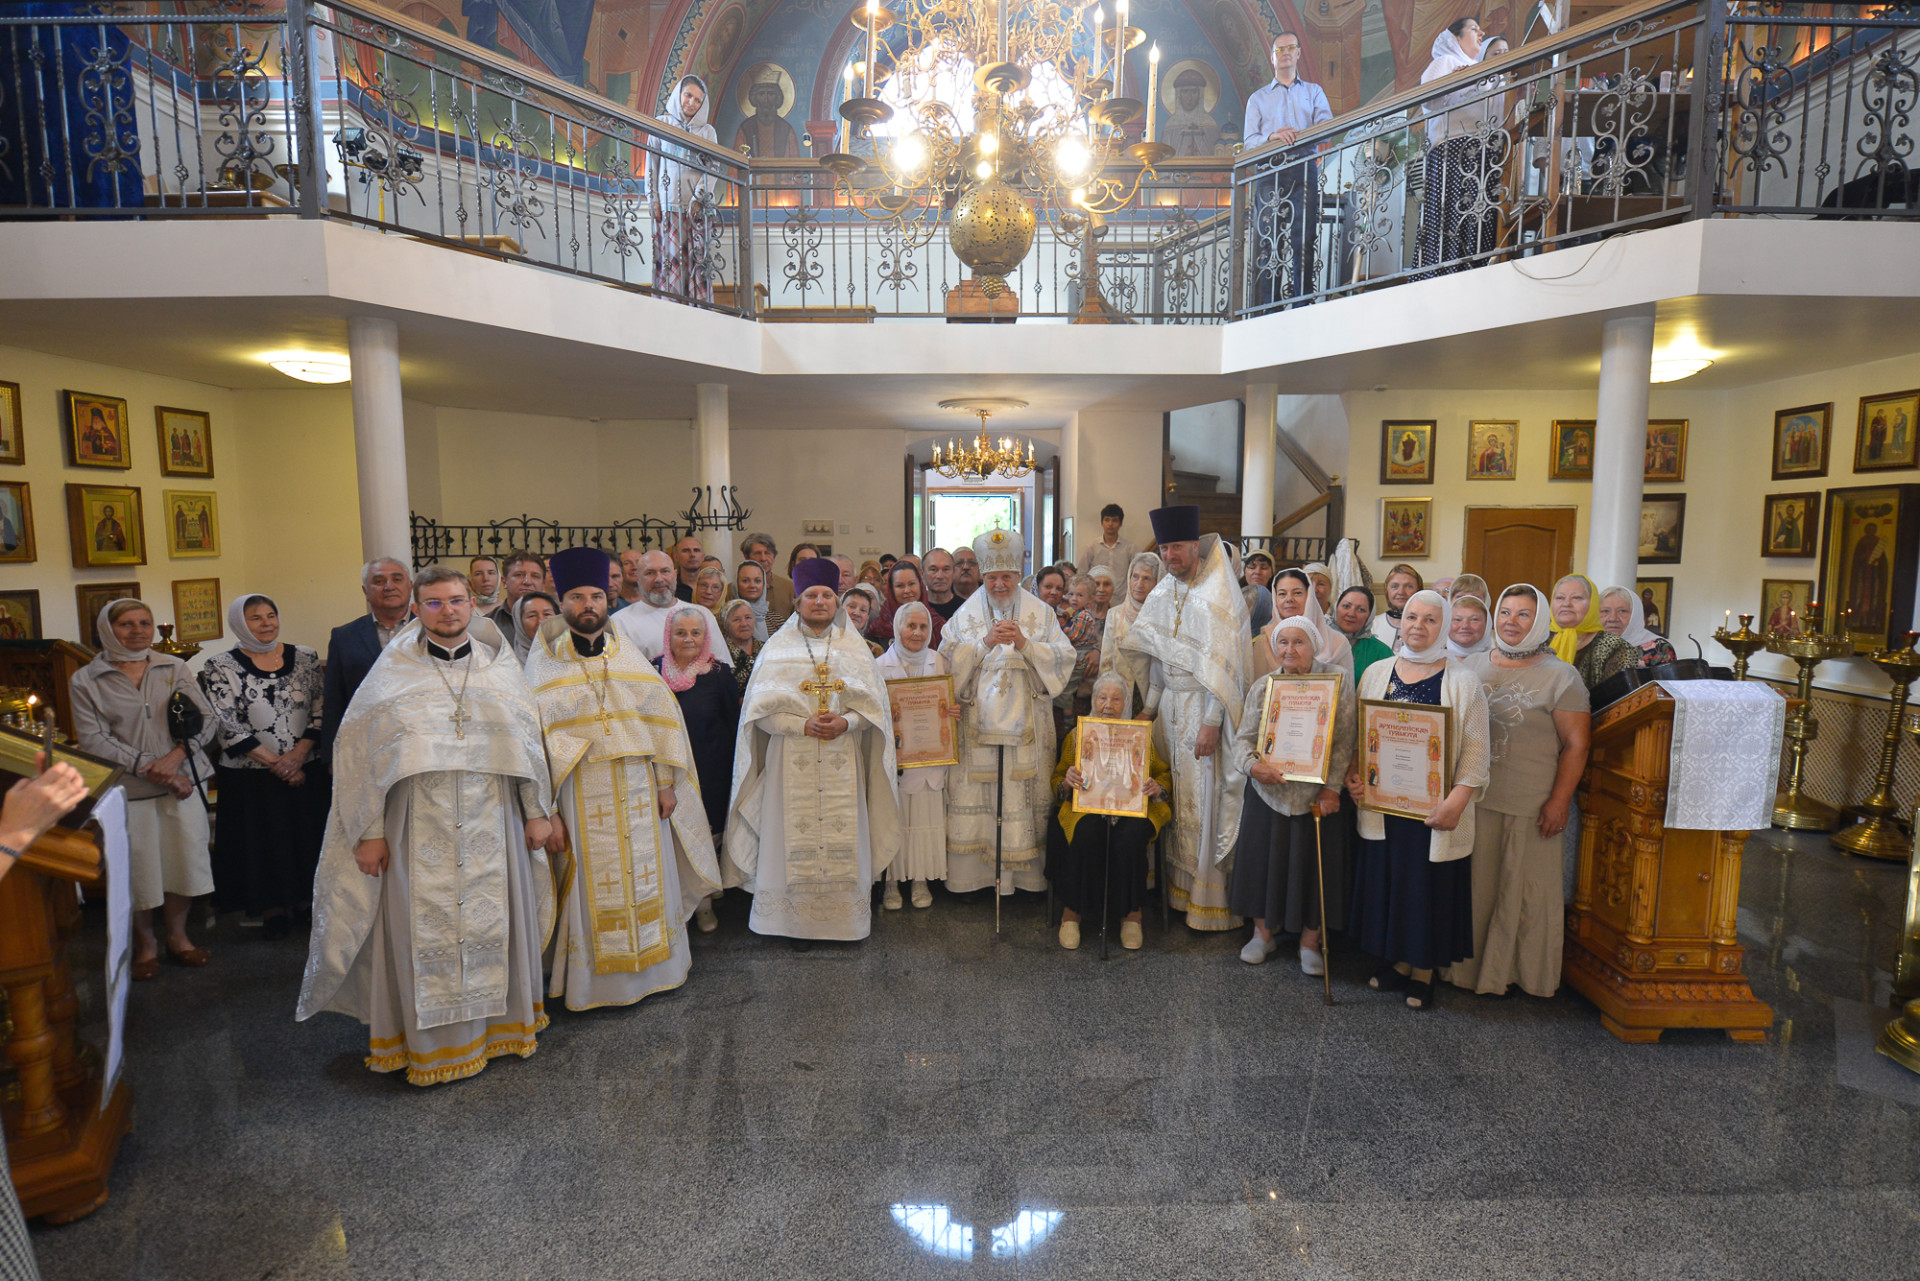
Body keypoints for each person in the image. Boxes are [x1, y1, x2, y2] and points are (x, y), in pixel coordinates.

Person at [298, 567, 557, 1086]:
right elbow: (359, 761)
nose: (447, 611)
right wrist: (368, 832)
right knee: (420, 932)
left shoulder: (498, 670)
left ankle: (501, 1031)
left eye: (456, 601)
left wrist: (536, 813)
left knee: (496, 921)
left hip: (493, 820)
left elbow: (528, 748)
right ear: (416, 609)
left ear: (473, 605)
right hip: (416, 825)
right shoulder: (390, 677)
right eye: (434, 603)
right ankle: (428, 1046)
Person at [524, 548, 722, 1009]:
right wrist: (547, 811)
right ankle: (595, 987)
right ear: (561, 600)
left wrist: (666, 781)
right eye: (577, 597)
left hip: (638, 788)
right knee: (592, 884)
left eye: (596, 595)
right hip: (577, 793)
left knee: (646, 878)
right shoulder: (541, 665)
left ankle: (658, 969)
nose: (588, 605)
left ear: (606, 598)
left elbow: (661, 720)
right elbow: (531, 745)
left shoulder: (627, 654)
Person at [724, 557, 901, 943]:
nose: (819, 602)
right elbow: (758, 716)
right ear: (798, 602)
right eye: (810, 596)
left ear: (836, 601)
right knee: (788, 833)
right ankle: (791, 924)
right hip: (790, 758)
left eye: (825, 595)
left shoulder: (855, 651)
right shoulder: (776, 650)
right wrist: (799, 724)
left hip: (843, 757)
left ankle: (844, 924)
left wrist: (847, 722)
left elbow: (874, 710)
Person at [1347, 590, 1490, 1011]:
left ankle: (1424, 971)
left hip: (1434, 811)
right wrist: (1354, 777)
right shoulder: (1376, 672)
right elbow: (1359, 732)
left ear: (1442, 626)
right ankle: (1399, 963)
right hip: (1385, 807)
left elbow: (1477, 751)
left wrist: (1457, 801)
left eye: (1430, 619)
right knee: (1392, 883)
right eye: (1412, 617)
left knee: (1426, 889)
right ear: (1400, 620)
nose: (1418, 626)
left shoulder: (1462, 680)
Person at [1116, 505, 1249, 932]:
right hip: (1168, 712)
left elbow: (1226, 671)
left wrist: (1212, 722)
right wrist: (1149, 708)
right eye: (1165, 547)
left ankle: (1206, 902)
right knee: (1169, 793)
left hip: (1204, 713)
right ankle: (1174, 892)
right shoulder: (1161, 591)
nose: (1170, 555)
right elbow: (1157, 660)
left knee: (1203, 799)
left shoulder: (1218, 594)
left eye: (1177, 547)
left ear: (1196, 546)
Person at [1452, 585, 1589, 998]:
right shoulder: (1472, 665)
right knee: (1476, 892)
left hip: (1530, 803)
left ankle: (1519, 974)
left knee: (1523, 892)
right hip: (1475, 799)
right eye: (1505, 612)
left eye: (1523, 614)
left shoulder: (1561, 675)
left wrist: (1559, 801)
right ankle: (1464, 972)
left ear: (1540, 620)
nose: (1511, 622)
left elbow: (1577, 745)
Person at [72, 598, 219, 979]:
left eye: (144, 622)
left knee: (182, 862)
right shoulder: (86, 679)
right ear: (107, 629)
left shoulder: (173, 666)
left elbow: (206, 719)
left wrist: (175, 760)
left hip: (183, 781)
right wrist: (150, 767)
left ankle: (178, 937)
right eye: (126, 624)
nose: (137, 631)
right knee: (140, 871)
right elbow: (93, 738)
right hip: (129, 790)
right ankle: (146, 946)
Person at [939, 527, 1077, 897]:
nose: (999, 584)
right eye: (992, 577)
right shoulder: (963, 616)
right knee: (982, 800)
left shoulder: (1041, 613)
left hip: (1028, 726)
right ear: (982, 577)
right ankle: (976, 878)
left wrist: (1025, 644)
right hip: (976, 726)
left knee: (1020, 795)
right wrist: (984, 643)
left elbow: (1065, 659)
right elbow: (946, 664)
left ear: (1019, 576)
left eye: (1006, 576)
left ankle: (1024, 879)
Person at [1227, 613, 1357, 973]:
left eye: (1298, 642)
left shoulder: (1338, 682)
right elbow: (1243, 741)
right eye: (1282, 642)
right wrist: (1253, 767)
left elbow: (1346, 739)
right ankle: (1262, 935)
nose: (1289, 649)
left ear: (1314, 645)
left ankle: (1309, 943)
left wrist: (1332, 789)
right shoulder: (1263, 686)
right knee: (1263, 863)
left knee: (1316, 868)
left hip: (1317, 796)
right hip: (1269, 792)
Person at [199, 593, 326, 940]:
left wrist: (298, 756)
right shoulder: (219, 665)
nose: (267, 623)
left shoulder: (306, 657)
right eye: (256, 618)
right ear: (240, 623)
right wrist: (280, 765)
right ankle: (271, 909)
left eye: (272, 615)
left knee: (305, 837)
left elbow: (320, 709)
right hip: (251, 775)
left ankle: (306, 903)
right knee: (263, 842)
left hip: (306, 766)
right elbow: (227, 723)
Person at [1047, 671, 1172, 951]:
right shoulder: (1079, 735)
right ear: (1093, 700)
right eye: (1102, 697)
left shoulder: (1139, 737)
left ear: (1125, 704)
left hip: (1130, 810)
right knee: (1086, 833)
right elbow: (1057, 778)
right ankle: (1073, 912)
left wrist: (1156, 787)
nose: (1108, 705)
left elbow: (1163, 774)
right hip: (1088, 808)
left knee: (1130, 837)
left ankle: (1132, 915)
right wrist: (1066, 781)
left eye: (1116, 699)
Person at [646, 601, 739, 935]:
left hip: (710, 772)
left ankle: (704, 904)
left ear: (706, 637)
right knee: (673, 841)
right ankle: (678, 905)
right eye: (680, 632)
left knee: (706, 838)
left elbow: (733, 726)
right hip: (667, 774)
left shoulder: (719, 675)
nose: (688, 639)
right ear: (668, 636)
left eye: (696, 633)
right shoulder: (651, 672)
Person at [875, 601, 955, 911]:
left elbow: (947, 702)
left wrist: (951, 711)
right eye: (911, 626)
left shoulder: (939, 661)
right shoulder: (881, 665)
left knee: (923, 815)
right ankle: (892, 883)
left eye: (923, 627)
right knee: (897, 818)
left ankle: (920, 879)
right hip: (896, 757)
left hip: (930, 755)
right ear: (897, 628)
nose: (917, 633)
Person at [1243, 31, 1332, 306]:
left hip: (1304, 167)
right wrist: (1272, 137)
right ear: (1272, 58)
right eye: (1279, 49)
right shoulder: (1257, 98)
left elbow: (1327, 130)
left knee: (1303, 238)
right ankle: (1267, 308)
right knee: (1268, 241)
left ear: (1298, 53)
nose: (1284, 53)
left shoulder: (1313, 91)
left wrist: (1298, 136)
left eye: (1290, 47)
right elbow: (1248, 143)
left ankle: (1301, 304)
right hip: (1270, 172)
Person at [1413, 17, 1502, 278]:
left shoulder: (1480, 69)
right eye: (1474, 29)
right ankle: (1446, 271)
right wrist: (1454, 79)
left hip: (1484, 152)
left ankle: (1472, 270)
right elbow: (1427, 96)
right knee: (1451, 214)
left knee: (1475, 216)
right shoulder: (1447, 61)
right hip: (1454, 150)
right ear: (1456, 38)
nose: (1481, 32)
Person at [321, 557, 412, 762]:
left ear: (410, 586)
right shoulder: (344, 636)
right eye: (379, 581)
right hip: (365, 747)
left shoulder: (430, 630)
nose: (389, 587)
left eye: (397, 579)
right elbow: (335, 700)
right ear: (365, 591)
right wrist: (331, 756)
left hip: (419, 743)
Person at [654, 74, 719, 304]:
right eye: (688, 95)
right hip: (668, 206)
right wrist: (653, 199)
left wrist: (698, 199)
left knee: (697, 261)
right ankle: (670, 307)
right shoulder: (661, 123)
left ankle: (697, 308)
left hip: (695, 211)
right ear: (679, 94)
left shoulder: (707, 132)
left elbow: (712, 168)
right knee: (670, 259)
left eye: (698, 100)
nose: (691, 102)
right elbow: (652, 164)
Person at [612, 549, 731, 665]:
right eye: (650, 573)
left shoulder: (702, 614)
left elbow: (722, 667)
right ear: (638, 578)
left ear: (675, 574)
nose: (659, 579)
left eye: (665, 571)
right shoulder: (620, 622)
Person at [1254, 567, 1352, 683]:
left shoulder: (1338, 642)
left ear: (1309, 596)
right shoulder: (1264, 642)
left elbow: (1345, 696)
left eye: (1297, 593)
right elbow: (1259, 693)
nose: (1289, 599)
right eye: (1282, 594)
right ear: (1275, 599)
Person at [1549, 573, 1637, 690]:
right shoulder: (1539, 641)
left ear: (1593, 604)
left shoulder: (1615, 646)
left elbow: (1622, 700)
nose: (1566, 604)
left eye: (1576, 598)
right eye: (1560, 598)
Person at [1099, 551, 1163, 699]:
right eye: (1135, 577)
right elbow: (1106, 663)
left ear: (1157, 581)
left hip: (1152, 697)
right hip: (1119, 694)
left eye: (1147, 579)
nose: (1139, 584)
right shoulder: (1114, 614)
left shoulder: (1163, 617)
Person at [871, 558, 945, 650]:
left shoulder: (937, 625)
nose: (907, 590)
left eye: (912, 584)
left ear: (920, 585)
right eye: (900, 586)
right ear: (892, 589)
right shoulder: (879, 627)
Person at [1599, 585, 1678, 666]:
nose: (1612, 618)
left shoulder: (1659, 648)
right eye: (1605, 611)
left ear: (1635, 615)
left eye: (1622, 611)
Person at [1333, 585, 1395, 680]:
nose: (1351, 614)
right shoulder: (1318, 642)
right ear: (1336, 608)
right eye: (1346, 606)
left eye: (1361, 609)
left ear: (1369, 616)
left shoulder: (1381, 652)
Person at [742, 533, 796, 633]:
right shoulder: (732, 590)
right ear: (746, 557)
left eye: (768, 553)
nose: (763, 558)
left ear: (774, 557)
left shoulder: (789, 588)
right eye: (757, 553)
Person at [1368, 563, 1424, 648]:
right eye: (1394, 586)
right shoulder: (1372, 624)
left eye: (1409, 586)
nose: (1401, 592)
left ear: (1418, 590)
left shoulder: (1426, 625)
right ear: (1387, 591)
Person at [1084, 503, 1138, 578]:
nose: (1110, 524)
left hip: (1121, 589)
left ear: (1121, 523)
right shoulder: (1092, 547)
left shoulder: (1130, 548)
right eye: (1107, 520)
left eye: (1115, 520)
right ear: (1101, 523)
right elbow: (1082, 572)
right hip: (1097, 589)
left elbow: (1136, 573)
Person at [722, 598, 760, 695]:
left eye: (748, 618)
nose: (744, 624)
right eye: (736, 620)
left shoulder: (767, 649)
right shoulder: (720, 654)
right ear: (726, 625)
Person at [511, 591, 559, 664]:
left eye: (547, 614)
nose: (541, 621)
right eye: (532, 616)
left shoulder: (572, 656)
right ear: (519, 622)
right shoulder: (509, 664)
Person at [1446, 593, 1493, 661]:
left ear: (1487, 624)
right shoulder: (1433, 661)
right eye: (1457, 620)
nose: (1465, 626)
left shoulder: (1500, 662)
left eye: (1474, 620)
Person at [734, 559, 770, 642]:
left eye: (757, 581)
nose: (752, 585)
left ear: (764, 584)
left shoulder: (777, 622)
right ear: (736, 584)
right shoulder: (726, 620)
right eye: (745, 581)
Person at [923, 548, 962, 620]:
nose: (940, 576)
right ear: (923, 574)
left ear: (953, 572)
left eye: (946, 569)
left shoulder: (964, 608)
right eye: (933, 570)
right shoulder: (915, 609)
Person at [670, 535, 705, 602]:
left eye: (696, 550)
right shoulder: (670, 587)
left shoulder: (712, 587)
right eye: (686, 551)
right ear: (676, 557)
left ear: (703, 557)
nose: (692, 555)